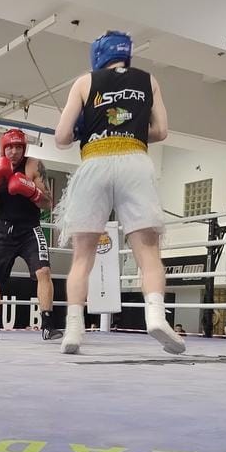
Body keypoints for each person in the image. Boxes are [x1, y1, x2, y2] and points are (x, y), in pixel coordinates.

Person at [52, 31, 184, 355]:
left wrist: (84, 129)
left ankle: (73, 328)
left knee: (83, 256)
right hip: (135, 162)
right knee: (148, 252)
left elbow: (61, 137)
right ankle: (155, 316)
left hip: (94, 162)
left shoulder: (84, 82)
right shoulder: (149, 80)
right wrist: (131, 129)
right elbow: (161, 131)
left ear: (98, 54)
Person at [0, 129, 62, 341]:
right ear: (3, 148)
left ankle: (47, 325)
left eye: (18, 147)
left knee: (44, 271)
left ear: (24, 148)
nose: (14, 151)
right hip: (3, 229)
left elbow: (48, 203)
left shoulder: (34, 166)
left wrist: (31, 190)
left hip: (30, 228)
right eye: (10, 147)